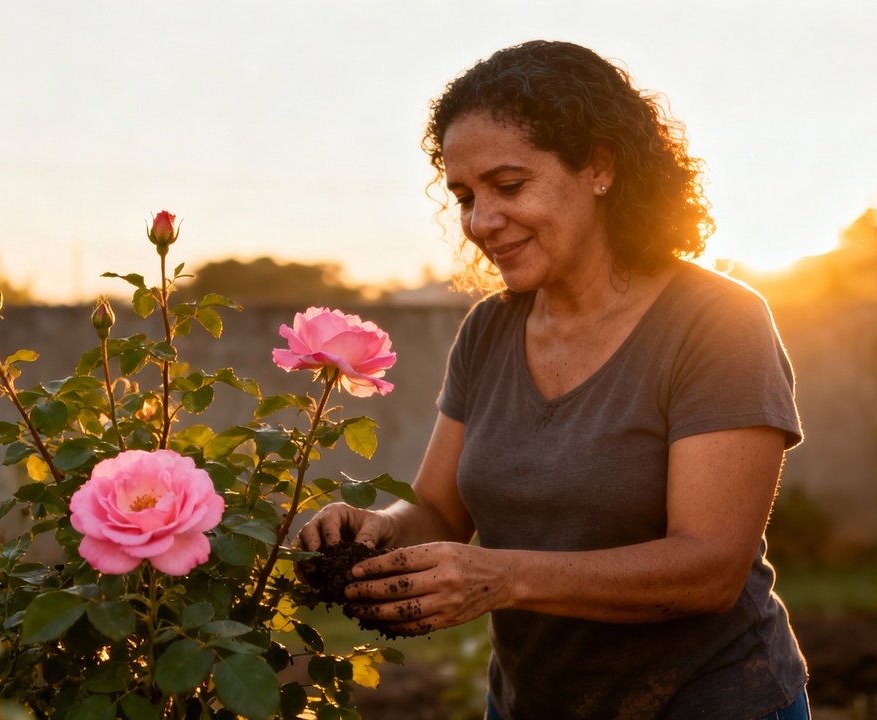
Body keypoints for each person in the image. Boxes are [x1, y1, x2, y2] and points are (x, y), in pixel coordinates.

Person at [298, 40, 808, 719]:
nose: (481, 222)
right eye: (465, 196)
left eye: (509, 187)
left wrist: (501, 576)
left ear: (600, 166)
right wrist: (374, 530)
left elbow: (709, 569)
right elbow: (440, 512)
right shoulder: (489, 331)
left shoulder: (717, 323)